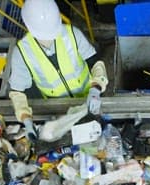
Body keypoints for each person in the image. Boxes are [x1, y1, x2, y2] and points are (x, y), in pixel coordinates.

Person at [9, 0, 109, 142]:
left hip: (89, 98)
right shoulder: (22, 52)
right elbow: (17, 92)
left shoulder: (72, 34)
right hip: (56, 108)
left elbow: (95, 62)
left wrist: (96, 87)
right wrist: (26, 119)